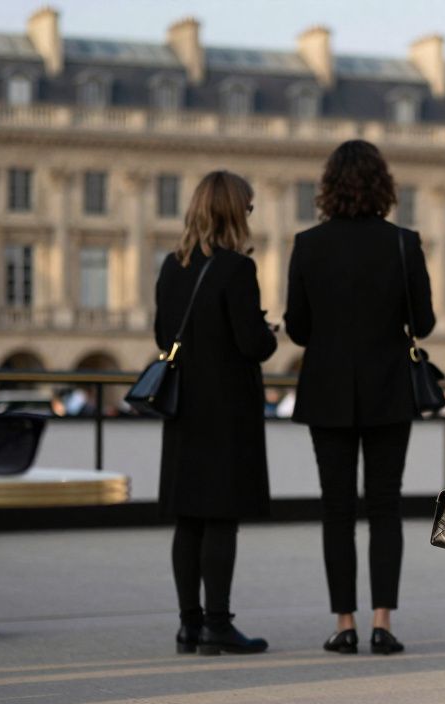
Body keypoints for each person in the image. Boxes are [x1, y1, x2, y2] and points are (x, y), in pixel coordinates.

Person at [285, 140, 435, 656]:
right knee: (385, 506)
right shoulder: (403, 242)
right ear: (383, 186)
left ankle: (344, 623)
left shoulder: (307, 245)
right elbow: (426, 323)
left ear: (328, 187)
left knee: (337, 510)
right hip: (389, 388)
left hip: (326, 388)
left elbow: (297, 328)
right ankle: (382, 622)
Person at [155, 171, 277, 655]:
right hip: (226, 410)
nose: (250, 217)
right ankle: (218, 624)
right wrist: (268, 332)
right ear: (232, 213)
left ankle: (188, 625)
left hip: (184, 407)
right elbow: (253, 344)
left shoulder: (171, 265)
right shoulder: (236, 269)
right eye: (247, 210)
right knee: (221, 518)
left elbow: (164, 337)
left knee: (188, 520)